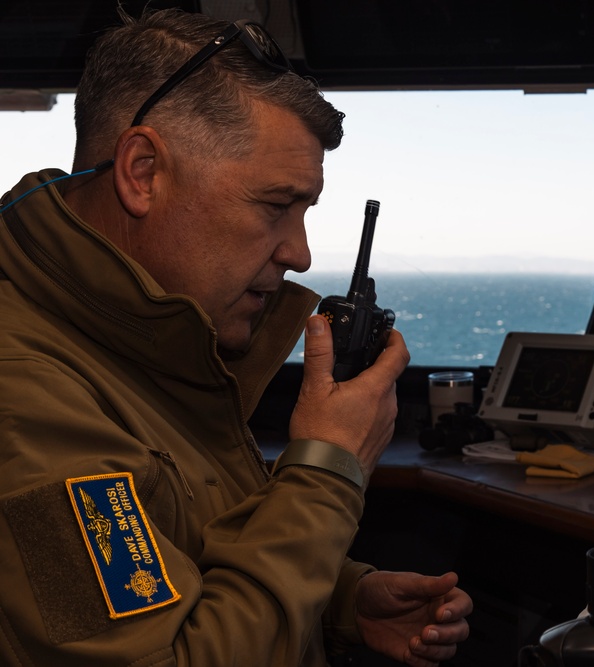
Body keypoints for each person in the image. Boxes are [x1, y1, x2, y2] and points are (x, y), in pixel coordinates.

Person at [0, 8, 471, 666]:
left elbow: (184, 556)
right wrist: (328, 470)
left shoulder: (146, 333)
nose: (301, 253)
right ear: (142, 173)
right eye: (276, 206)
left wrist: (337, 600)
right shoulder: (23, 402)